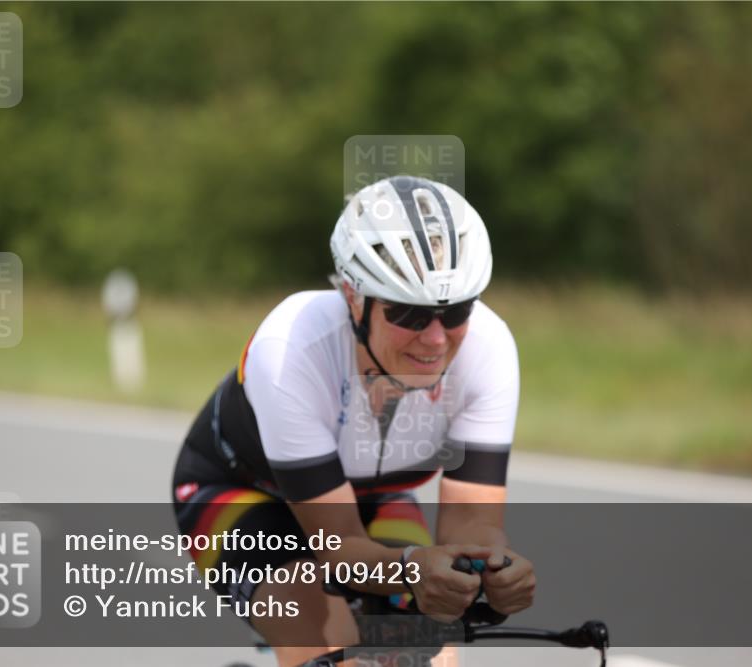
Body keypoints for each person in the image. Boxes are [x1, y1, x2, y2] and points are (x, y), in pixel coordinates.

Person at [172, 175, 534, 666]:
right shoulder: (292, 348)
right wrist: (411, 570)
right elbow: (338, 546)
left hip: (374, 499)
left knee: (433, 652)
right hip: (244, 493)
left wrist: (495, 566)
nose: (435, 338)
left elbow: (472, 523)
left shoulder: (488, 348)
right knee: (325, 644)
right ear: (353, 298)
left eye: (456, 311)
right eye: (408, 313)